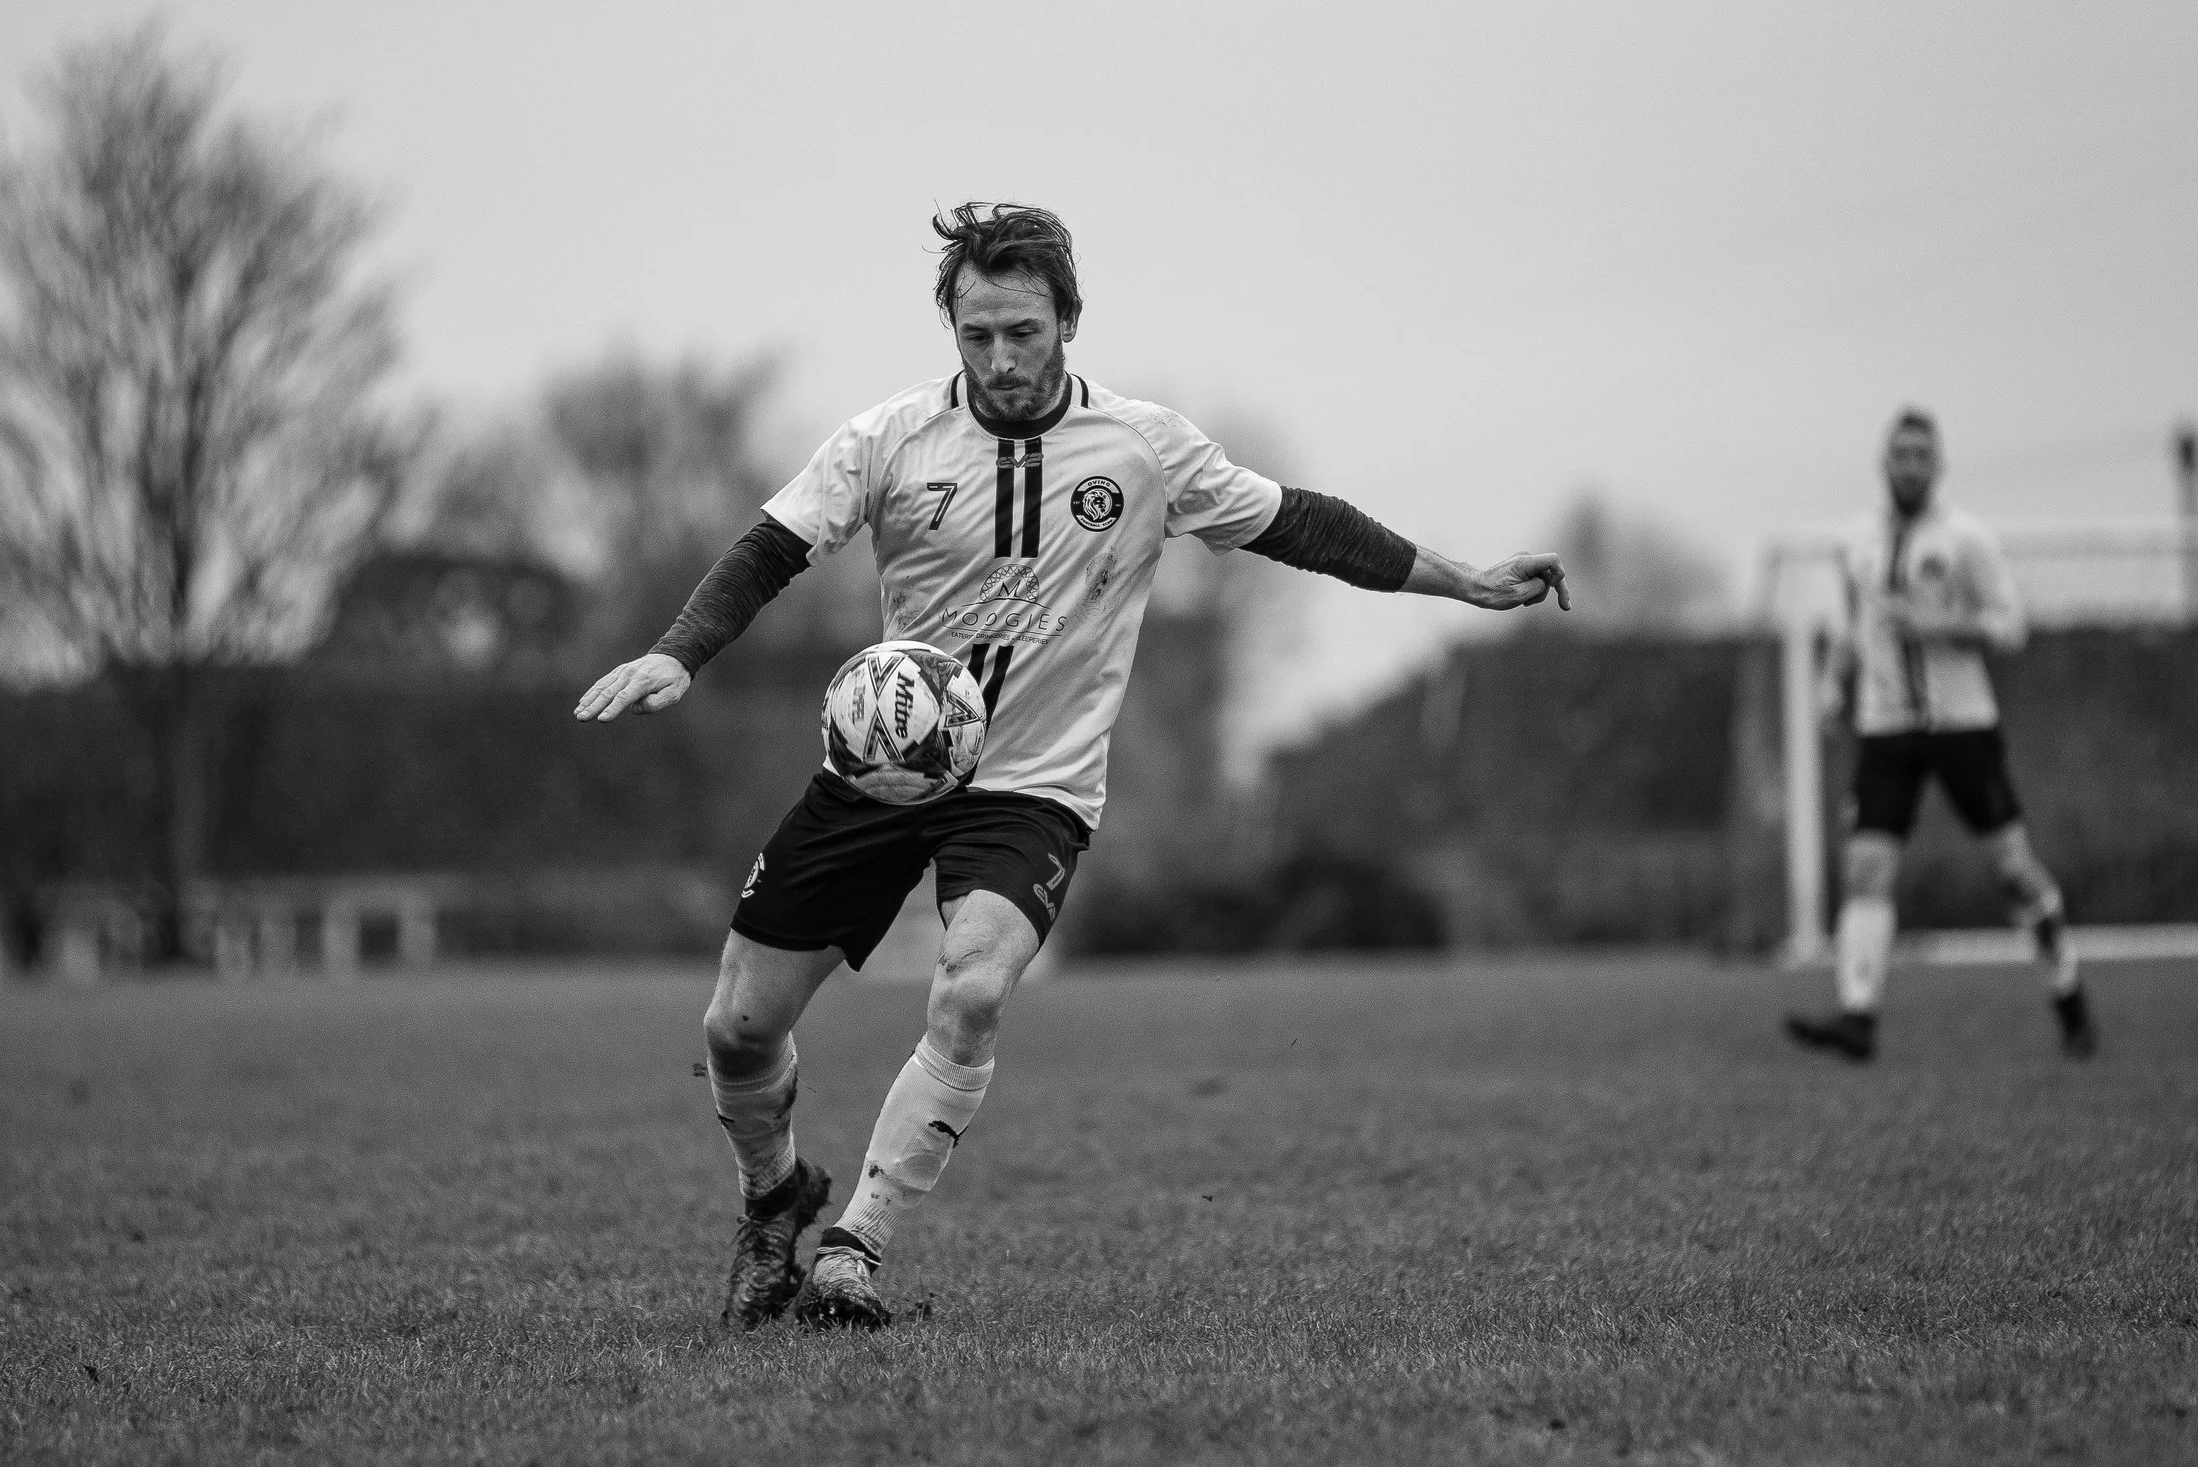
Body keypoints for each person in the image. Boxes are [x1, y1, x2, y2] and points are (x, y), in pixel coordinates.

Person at [574, 203, 1570, 1331]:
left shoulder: (1143, 449)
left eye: (1023, 332)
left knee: (975, 983)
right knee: (735, 1030)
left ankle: (853, 1246)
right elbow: (772, 545)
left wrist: (1469, 581)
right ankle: (774, 1198)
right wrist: (677, 651)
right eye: (976, 333)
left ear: (1069, 322)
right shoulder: (889, 439)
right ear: (949, 325)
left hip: (1031, 786)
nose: (999, 359)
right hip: (882, 772)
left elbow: (1304, 524)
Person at [1786, 408, 2097, 1064]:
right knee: (1866, 867)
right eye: (1900, 454)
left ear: (1939, 465)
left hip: (1962, 725)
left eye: (1921, 455)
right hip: (1886, 727)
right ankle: (1858, 1016)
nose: (1910, 466)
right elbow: (1854, 627)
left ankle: (2066, 985)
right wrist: (1833, 683)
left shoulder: (1966, 540)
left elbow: (2010, 625)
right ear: (1884, 462)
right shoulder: (1857, 543)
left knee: (2013, 869)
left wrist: (1943, 624)